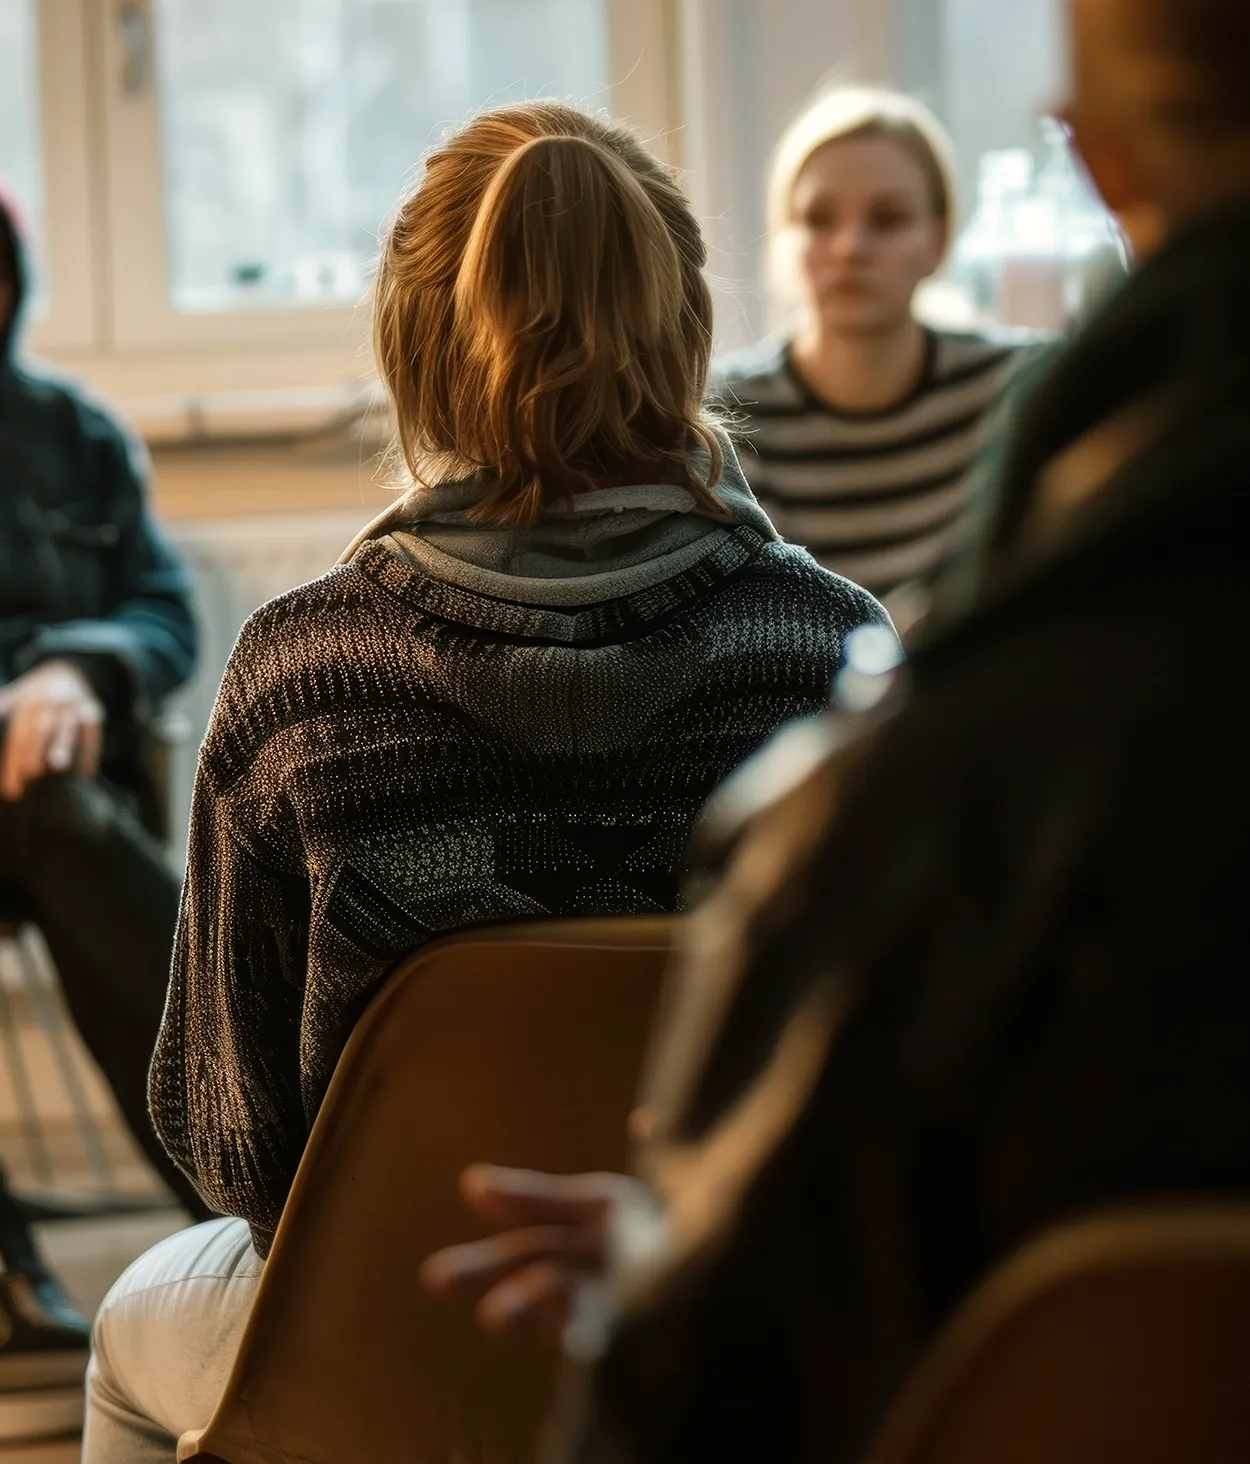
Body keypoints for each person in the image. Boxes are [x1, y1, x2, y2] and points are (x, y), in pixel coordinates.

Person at [421, 0, 1250, 1458]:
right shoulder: (838, 661)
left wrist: (724, 1230)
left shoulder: (915, 806)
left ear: (1097, 159)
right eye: (817, 218)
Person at [83, 100, 890, 1462]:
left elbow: (226, 1137)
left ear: (413, 345)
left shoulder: (300, 675)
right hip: (715, 1340)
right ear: (681, 329)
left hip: (380, 1339)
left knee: (119, 1339)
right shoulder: (834, 660)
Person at [0, 180, 209, 1372]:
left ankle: (252, 1187)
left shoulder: (75, 435)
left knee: (67, 820)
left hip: (57, 787)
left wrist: (80, 671)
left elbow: (164, 607)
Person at [711, 86, 1035, 610]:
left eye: (887, 219)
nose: (850, 247)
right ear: (786, 239)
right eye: (819, 219)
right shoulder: (724, 417)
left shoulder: (1015, 387)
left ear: (941, 238)